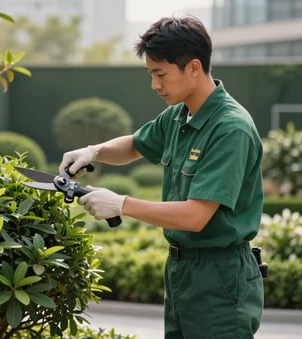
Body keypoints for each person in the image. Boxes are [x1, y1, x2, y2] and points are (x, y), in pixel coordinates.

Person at [59, 15, 264, 339]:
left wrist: (121, 203)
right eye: (150, 74)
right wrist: (93, 151)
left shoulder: (230, 128)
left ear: (194, 67)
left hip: (220, 278)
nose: (155, 85)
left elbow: (197, 215)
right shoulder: (180, 114)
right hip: (182, 271)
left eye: (161, 74)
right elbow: (134, 146)